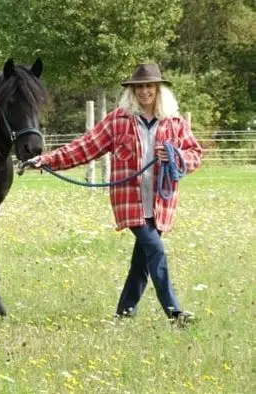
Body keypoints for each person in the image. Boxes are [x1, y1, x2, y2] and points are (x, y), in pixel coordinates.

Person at [26, 63, 203, 326]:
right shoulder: (118, 121)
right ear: (132, 91)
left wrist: (177, 157)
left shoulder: (175, 123)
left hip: (161, 202)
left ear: (159, 89)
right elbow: (83, 147)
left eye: (149, 86)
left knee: (142, 261)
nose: (144, 91)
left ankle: (124, 313)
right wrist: (47, 160)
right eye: (139, 87)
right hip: (130, 202)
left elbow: (195, 154)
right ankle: (174, 312)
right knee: (155, 250)